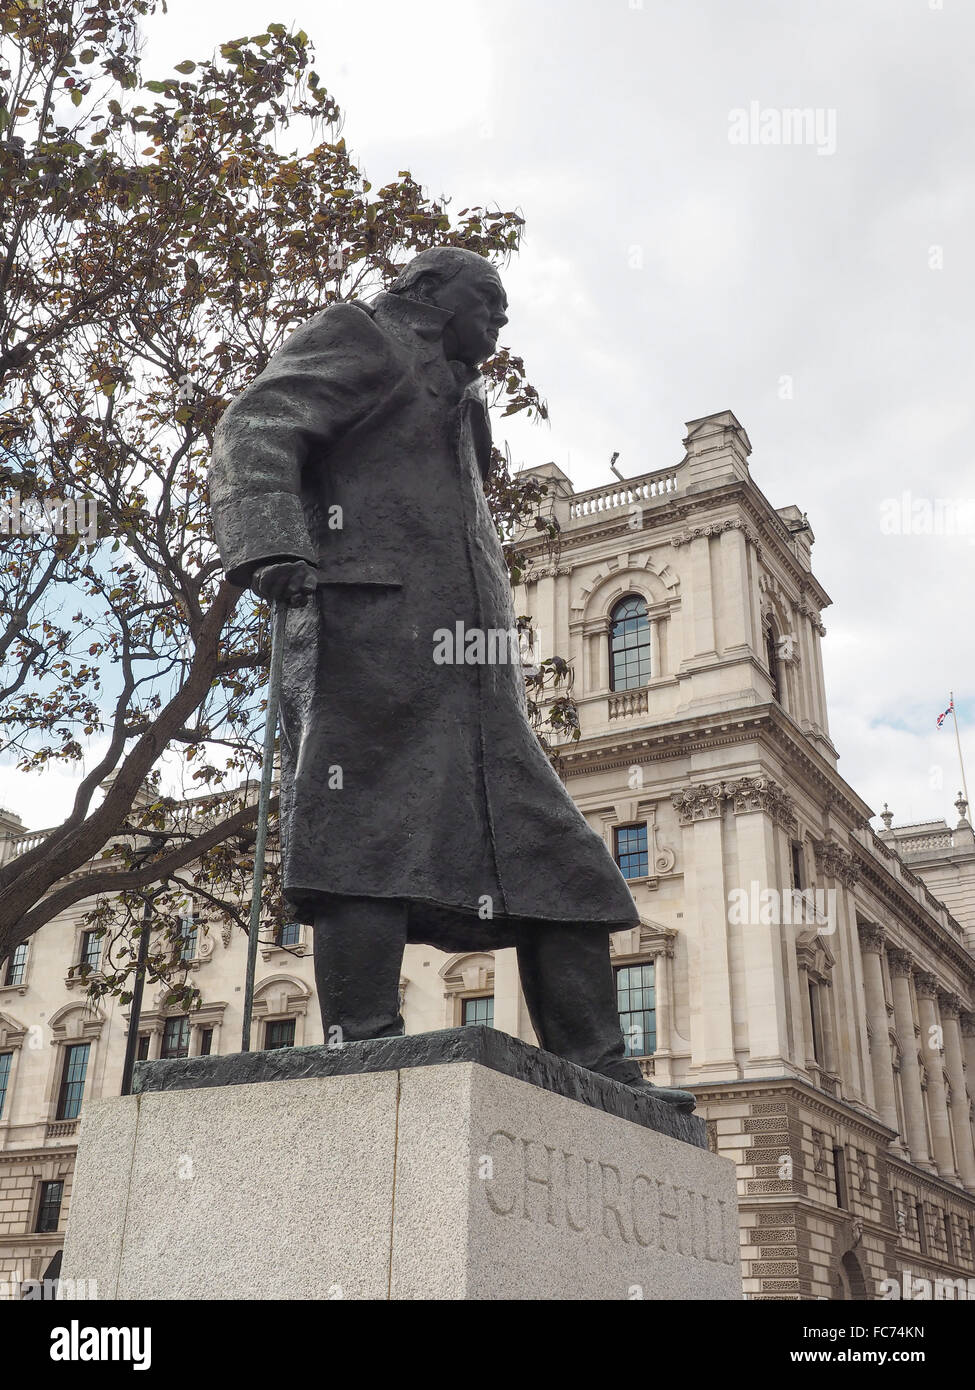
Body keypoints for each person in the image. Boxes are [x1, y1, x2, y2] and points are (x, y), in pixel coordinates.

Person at [210, 246, 694, 1111]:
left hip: (472, 669)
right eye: (489, 301)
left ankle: (597, 1062)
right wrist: (270, 540)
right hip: (366, 630)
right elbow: (255, 425)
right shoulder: (358, 334)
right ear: (432, 293)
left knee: (562, 858)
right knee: (363, 829)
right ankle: (364, 1037)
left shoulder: (464, 393)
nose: (500, 322)